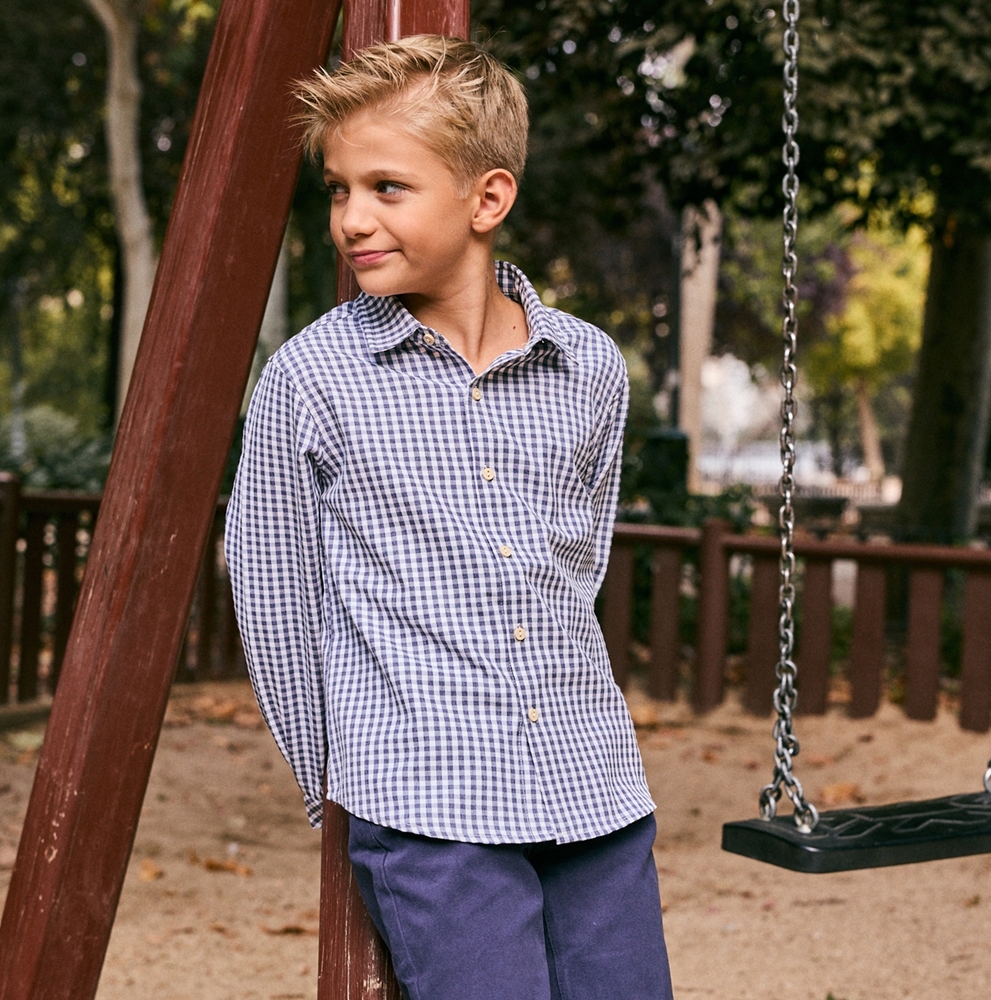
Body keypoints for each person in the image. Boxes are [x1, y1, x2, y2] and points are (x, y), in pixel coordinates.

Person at [225, 34, 673, 1000]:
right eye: (339, 189)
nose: (351, 217)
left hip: (591, 786)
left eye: (387, 187)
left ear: (488, 199)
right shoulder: (312, 378)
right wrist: (351, 774)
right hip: (431, 811)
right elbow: (272, 596)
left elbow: (575, 560)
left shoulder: (589, 366)